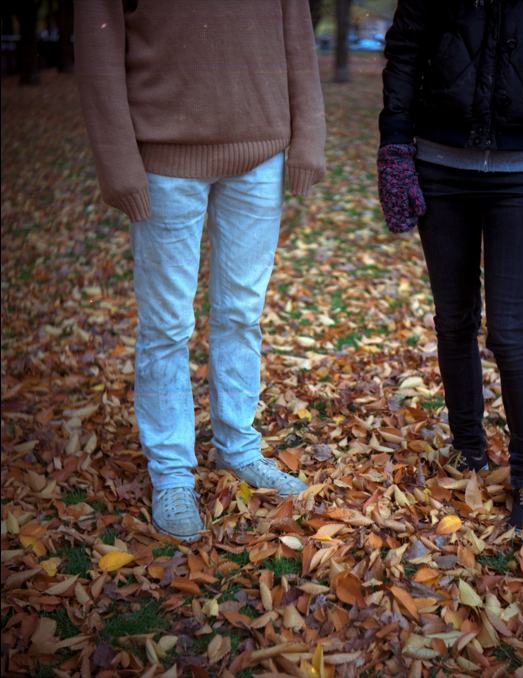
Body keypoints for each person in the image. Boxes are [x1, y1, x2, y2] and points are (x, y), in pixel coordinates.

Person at [75, 0, 325, 542]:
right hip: (164, 155)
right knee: (166, 326)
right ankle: (171, 474)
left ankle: (237, 446)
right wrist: (117, 161)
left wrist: (308, 135)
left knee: (241, 313)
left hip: (261, 151)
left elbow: (297, 31)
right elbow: (96, 42)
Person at [377, 1, 523, 531]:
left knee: (509, 329)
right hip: (439, 160)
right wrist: (394, 145)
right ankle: (469, 451)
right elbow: (407, 44)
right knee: (453, 318)